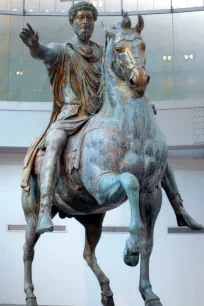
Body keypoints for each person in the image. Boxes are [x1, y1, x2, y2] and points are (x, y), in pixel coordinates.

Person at [20, 2, 202, 234]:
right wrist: (35, 46)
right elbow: (43, 53)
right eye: (80, 18)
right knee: (54, 140)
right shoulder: (64, 51)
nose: (85, 22)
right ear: (72, 22)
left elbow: (119, 82)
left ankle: (178, 205)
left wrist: (142, 105)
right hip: (72, 115)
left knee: (152, 146)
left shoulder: (101, 52)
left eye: (89, 18)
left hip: (102, 114)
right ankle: (45, 207)